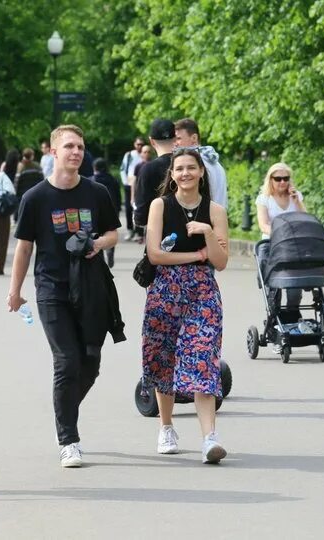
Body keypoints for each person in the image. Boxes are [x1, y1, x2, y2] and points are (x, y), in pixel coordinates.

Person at [7, 125, 120, 468]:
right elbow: (24, 248)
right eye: (69, 146)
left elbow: (114, 232)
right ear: (53, 152)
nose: (76, 152)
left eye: (80, 147)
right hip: (52, 289)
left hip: (90, 287)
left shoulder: (97, 192)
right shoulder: (36, 197)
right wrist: (15, 291)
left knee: (91, 363)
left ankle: (64, 408)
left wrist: (98, 243)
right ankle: (68, 438)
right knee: (67, 361)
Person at [141, 148, 230, 464]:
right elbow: (155, 254)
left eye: (191, 168)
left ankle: (210, 438)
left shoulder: (215, 211)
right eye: (179, 169)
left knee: (204, 359)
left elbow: (220, 262)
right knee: (164, 358)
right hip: (165, 289)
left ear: (202, 172)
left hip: (203, 293)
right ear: (172, 174)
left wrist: (206, 233)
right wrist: (195, 256)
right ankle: (166, 427)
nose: (185, 174)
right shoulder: (160, 206)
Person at [256, 162, 308, 347]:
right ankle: (274, 322)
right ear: (271, 179)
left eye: (285, 178)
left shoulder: (296, 196)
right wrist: (280, 233)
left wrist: (297, 200)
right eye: (278, 179)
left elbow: (304, 219)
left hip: (293, 245)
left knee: (295, 286)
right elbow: (263, 224)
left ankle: (292, 317)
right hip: (271, 243)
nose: (282, 182)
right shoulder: (264, 199)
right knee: (274, 287)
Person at [174, 118, 228, 207]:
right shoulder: (214, 162)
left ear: (194, 138)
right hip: (218, 217)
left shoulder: (197, 163)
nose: (175, 143)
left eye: (178, 138)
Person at [134, 120, 175, 232]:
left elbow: (141, 208)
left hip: (158, 232)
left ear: (151, 141)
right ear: (176, 139)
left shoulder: (148, 169)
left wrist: (138, 219)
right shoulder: (190, 164)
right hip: (191, 229)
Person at [89, 158, 122, 268]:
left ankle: (100, 255)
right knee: (110, 232)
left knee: (97, 234)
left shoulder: (90, 180)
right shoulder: (112, 179)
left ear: (94, 168)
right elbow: (118, 196)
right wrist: (117, 209)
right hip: (112, 209)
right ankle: (110, 251)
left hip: (95, 210)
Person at [120, 137, 144, 239]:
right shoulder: (129, 155)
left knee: (139, 207)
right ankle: (130, 229)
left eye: (141, 144)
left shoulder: (144, 155)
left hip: (139, 184)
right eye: (138, 144)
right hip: (128, 184)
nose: (140, 146)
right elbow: (123, 169)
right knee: (128, 208)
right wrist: (126, 182)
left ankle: (139, 231)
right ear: (134, 144)